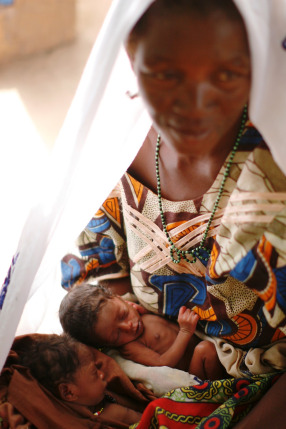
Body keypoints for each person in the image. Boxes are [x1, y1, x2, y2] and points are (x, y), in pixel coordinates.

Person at [60, 0, 286, 426]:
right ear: (129, 56)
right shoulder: (117, 148)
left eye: (226, 74)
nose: (193, 105)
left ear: (257, 63)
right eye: (165, 74)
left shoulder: (273, 170)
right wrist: (137, 361)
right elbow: (99, 268)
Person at [59, 283, 227, 381]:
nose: (128, 326)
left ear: (119, 298)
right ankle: (223, 390)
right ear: (106, 344)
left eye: (123, 314)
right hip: (196, 371)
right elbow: (162, 363)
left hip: (206, 341)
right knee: (205, 349)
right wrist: (185, 331)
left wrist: (137, 309)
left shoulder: (137, 309)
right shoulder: (130, 347)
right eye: (117, 335)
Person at [19, 333, 142, 426]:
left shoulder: (103, 401)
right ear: (69, 392)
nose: (102, 374)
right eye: (94, 373)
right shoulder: (101, 418)